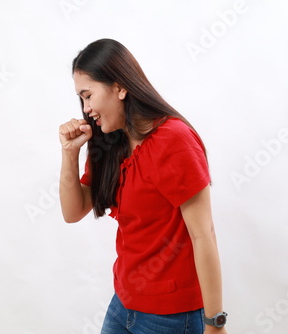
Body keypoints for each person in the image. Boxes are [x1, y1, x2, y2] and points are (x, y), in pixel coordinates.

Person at [58, 39, 227, 334]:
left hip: (171, 316)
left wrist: (214, 324)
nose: (86, 110)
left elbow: (204, 234)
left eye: (88, 96)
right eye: (80, 100)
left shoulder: (174, 140)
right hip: (123, 303)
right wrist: (69, 152)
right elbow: (73, 212)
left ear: (120, 87)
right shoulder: (110, 142)